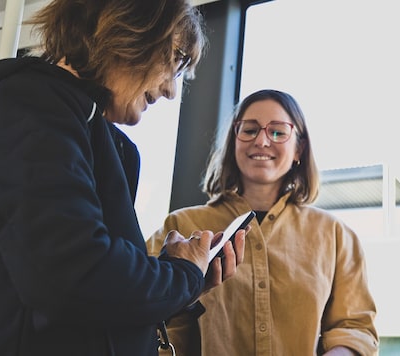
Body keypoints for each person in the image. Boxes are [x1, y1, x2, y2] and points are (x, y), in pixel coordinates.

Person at [0, 1, 246, 355]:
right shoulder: (33, 104)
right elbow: (73, 275)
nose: (171, 91)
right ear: (130, 28)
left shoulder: (104, 139)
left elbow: (93, 294)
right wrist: (181, 274)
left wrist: (184, 280)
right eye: (176, 59)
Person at [146, 89, 379, 355]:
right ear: (234, 140)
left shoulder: (335, 235)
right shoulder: (180, 226)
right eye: (249, 130)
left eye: (278, 132)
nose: (262, 141)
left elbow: (355, 327)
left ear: (298, 149)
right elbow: (149, 318)